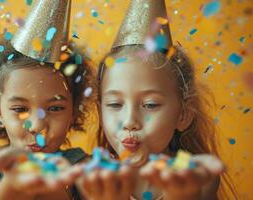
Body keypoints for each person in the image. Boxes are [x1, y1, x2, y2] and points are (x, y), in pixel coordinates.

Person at [78, 0, 236, 199]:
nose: (129, 122)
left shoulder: (199, 179)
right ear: (100, 112)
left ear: (183, 115)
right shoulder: (94, 179)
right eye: (115, 105)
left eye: (150, 105)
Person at [0, 1, 94, 199]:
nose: (37, 126)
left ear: (73, 111)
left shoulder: (82, 166)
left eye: (54, 108)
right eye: (20, 109)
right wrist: (11, 186)